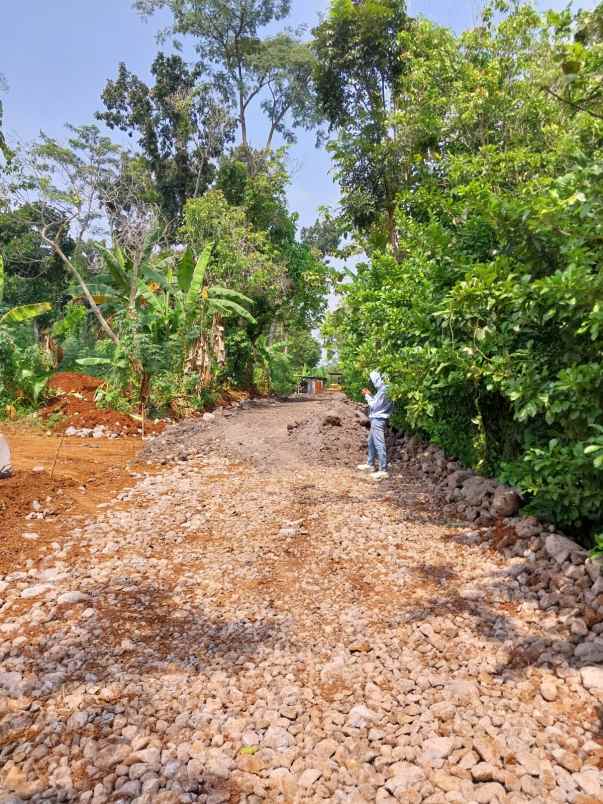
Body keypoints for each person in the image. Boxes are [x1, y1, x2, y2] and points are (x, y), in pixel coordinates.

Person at [357, 370, 393, 480]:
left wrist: (367, 395)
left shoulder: (384, 390)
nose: (374, 382)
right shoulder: (384, 389)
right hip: (376, 419)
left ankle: (383, 470)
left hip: (378, 420)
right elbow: (377, 404)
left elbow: (374, 406)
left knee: (379, 443)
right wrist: (371, 395)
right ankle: (370, 465)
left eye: (374, 379)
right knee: (371, 442)